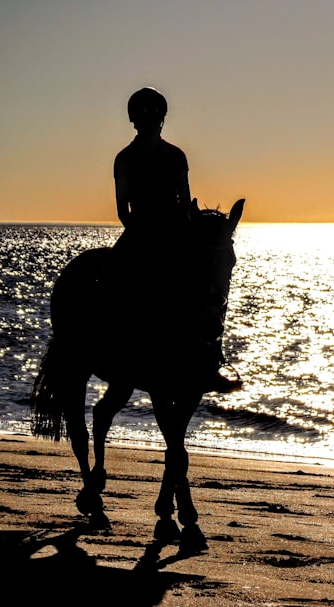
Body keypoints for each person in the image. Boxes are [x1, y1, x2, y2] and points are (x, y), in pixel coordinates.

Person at [111, 87, 241, 393]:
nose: (152, 123)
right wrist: (144, 233)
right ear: (135, 122)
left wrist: (182, 230)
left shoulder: (176, 155)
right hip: (139, 233)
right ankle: (118, 349)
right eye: (147, 119)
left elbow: (185, 199)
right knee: (115, 281)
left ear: (161, 120)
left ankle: (211, 360)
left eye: (155, 118)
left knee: (208, 291)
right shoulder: (125, 159)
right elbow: (123, 209)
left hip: (175, 231)